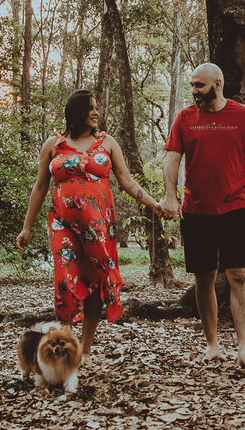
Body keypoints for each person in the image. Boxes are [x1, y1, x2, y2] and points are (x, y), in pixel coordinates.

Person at [16, 90, 163, 363]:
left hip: (98, 226)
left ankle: (84, 348)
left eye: (97, 108)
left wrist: (154, 204)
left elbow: (126, 181)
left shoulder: (106, 142)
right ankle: (65, 342)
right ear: (77, 112)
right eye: (91, 108)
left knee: (96, 282)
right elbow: (39, 187)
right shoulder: (53, 145)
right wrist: (26, 227)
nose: (96, 113)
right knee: (65, 279)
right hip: (62, 225)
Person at [160, 63, 245, 370]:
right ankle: (212, 346)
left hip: (234, 207)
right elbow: (172, 157)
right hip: (196, 210)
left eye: (199, 85)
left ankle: (244, 348)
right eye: (192, 86)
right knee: (204, 277)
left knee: (239, 275)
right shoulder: (185, 118)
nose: (195, 91)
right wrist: (170, 195)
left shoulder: (243, 115)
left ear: (218, 84)